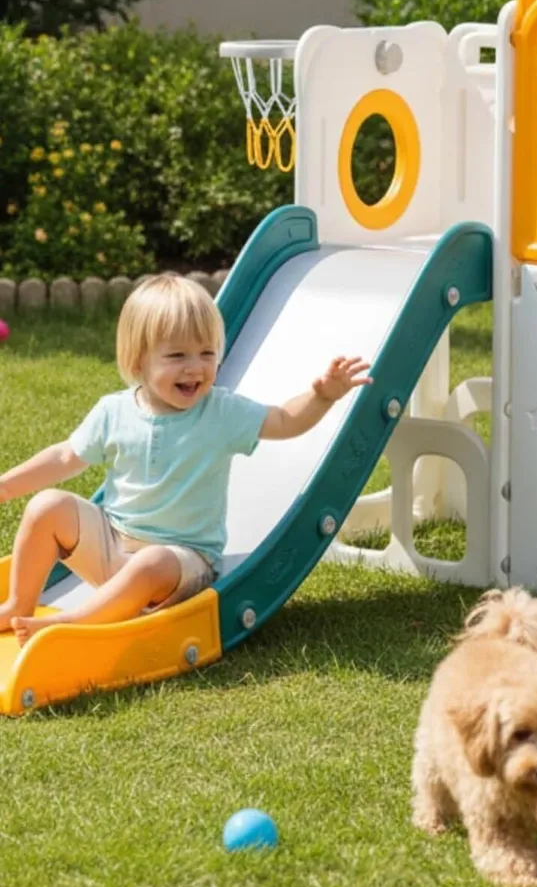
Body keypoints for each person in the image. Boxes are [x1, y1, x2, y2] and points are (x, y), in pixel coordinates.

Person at [0, 274, 371, 644]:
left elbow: (285, 421)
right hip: (113, 546)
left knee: (152, 562)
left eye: (207, 353)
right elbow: (65, 456)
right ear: (139, 359)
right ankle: (19, 604)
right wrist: (4, 488)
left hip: (181, 564)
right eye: (177, 355)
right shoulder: (113, 411)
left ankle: (75, 624)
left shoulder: (221, 412)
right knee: (47, 506)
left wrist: (322, 396)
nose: (195, 367)